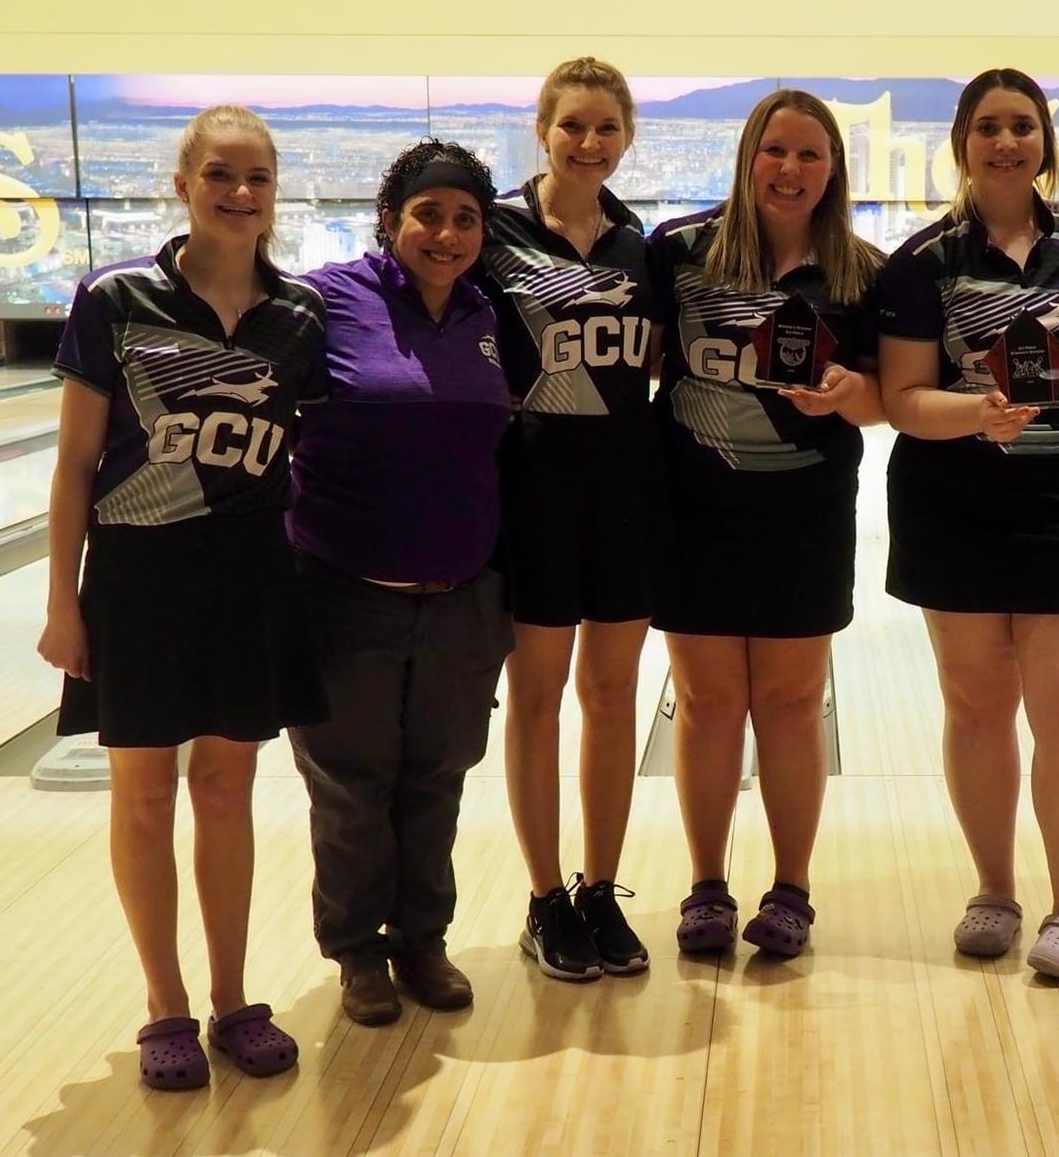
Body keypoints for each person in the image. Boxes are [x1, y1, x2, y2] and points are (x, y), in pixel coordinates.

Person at [38, 104, 326, 1089]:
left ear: (274, 192)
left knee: (228, 789)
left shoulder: (298, 317)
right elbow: (75, 465)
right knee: (145, 793)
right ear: (184, 184)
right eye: (220, 175)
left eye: (257, 178)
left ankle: (233, 999)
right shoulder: (115, 299)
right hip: (136, 574)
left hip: (248, 574)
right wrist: (62, 603)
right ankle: (165, 1005)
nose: (240, 193)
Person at [879, 68, 1059, 984]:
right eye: (988, 126)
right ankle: (994, 889)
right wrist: (977, 413)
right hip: (955, 502)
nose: (1006, 142)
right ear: (963, 143)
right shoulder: (923, 261)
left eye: (1022, 125)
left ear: (1044, 142)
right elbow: (905, 398)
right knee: (978, 705)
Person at [649, 89, 884, 960]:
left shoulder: (860, 272)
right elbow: (640, 360)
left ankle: (791, 890)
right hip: (694, 507)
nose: (790, 169)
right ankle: (707, 885)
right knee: (707, 703)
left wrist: (850, 394)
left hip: (805, 511)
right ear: (749, 159)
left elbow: (883, 399)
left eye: (810, 154)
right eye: (775, 151)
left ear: (834, 169)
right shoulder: (680, 252)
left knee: (789, 704)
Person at [288, 139, 514, 1025]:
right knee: (351, 784)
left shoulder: (490, 314)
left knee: (438, 776)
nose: (447, 234)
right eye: (429, 214)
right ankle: (356, 952)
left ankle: (422, 939)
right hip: (344, 591)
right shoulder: (327, 300)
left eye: (465, 219)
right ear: (390, 219)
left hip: (460, 595)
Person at [480, 59, 666, 982]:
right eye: (573, 126)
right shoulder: (496, 232)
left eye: (606, 128)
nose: (590, 144)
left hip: (624, 493)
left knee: (612, 695)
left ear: (625, 136)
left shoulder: (639, 244)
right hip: (533, 496)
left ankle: (600, 890)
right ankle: (545, 896)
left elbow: (659, 361)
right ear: (543, 130)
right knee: (538, 696)